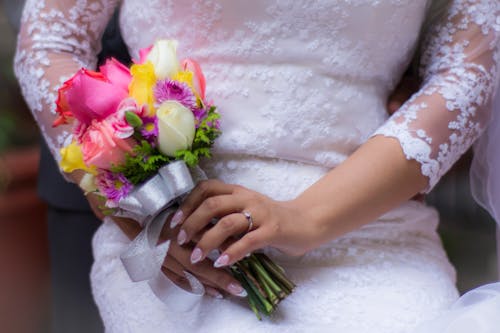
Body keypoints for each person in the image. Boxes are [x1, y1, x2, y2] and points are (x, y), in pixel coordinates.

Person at [14, 1, 500, 332]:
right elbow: (50, 40)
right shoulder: (161, 217)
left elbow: (468, 70)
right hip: (181, 234)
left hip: (368, 223)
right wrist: (142, 201)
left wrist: (305, 218)